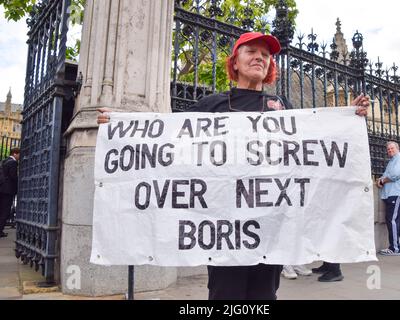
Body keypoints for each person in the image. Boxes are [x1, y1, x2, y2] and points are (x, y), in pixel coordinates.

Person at [97, 31, 369, 300]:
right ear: (235, 63)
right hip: (223, 230)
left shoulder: (283, 108)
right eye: (251, 52)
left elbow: (313, 145)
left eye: (265, 55)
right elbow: (167, 137)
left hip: (270, 228)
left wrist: (348, 118)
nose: (259, 58)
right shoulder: (212, 106)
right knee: (225, 295)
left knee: (265, 295)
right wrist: (122, 126)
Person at [376, 141, 400, 255]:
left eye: (392, 148)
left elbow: (395, 175)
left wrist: (383, 180)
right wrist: (380, 180)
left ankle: (394, 248)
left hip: (396, 193)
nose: (390, 150)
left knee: (392, 219)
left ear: (397, 148)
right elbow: (385, 175)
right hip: (395, 194)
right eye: (388, 149)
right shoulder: (392, 162)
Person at [0, 148, 20, 238]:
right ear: (15, 154)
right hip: (8, 190)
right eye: (19, 154)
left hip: (2, 188)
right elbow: (13, 177)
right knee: (5, 211)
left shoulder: (4, 161)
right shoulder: (13, 162)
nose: (19, 157)